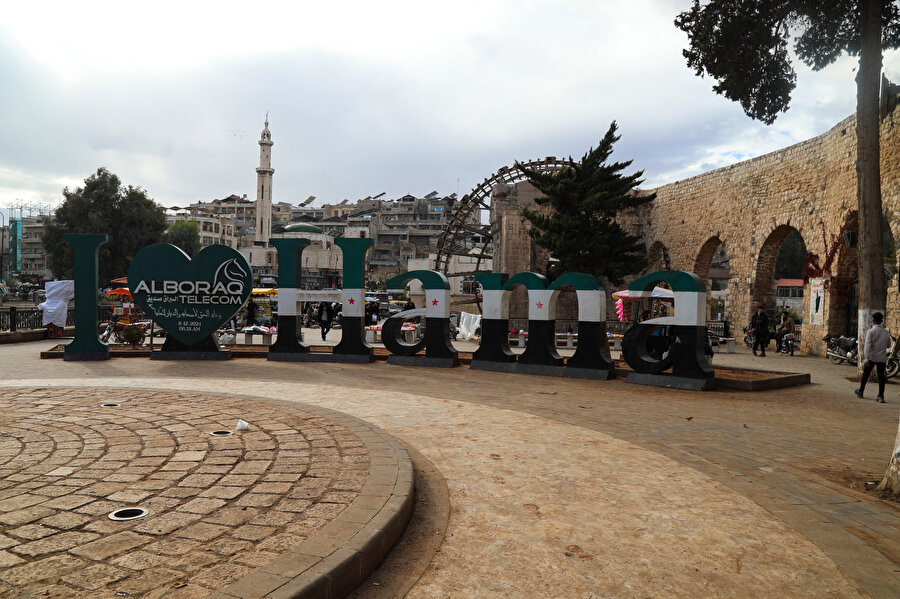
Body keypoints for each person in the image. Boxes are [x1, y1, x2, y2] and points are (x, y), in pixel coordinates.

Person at [855, 312, 891, 403]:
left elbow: (867, 346)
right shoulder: (886, 333)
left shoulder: (870, 332)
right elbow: (888, 345)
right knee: (881, 377)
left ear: (873, 321)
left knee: (866, 375)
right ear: (881, 321)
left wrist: (866, 359)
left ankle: (861, 391)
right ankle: (881, 396)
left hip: (871, 357)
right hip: (882, 358)